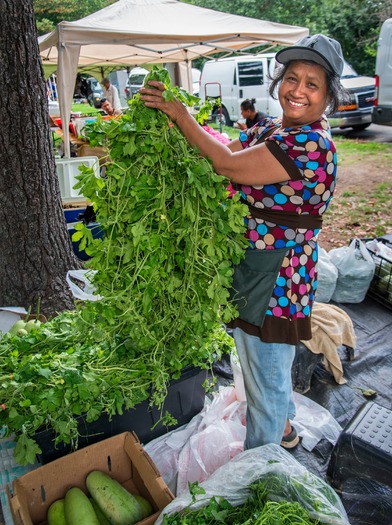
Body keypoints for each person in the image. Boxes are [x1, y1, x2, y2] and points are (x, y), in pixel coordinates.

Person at [140, 34, 348, 451]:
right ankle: (285, 429)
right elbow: (222, 146)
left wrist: (182, 116)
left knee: (266, 370)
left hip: (278, 278)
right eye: (292, 78)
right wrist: (177, 125)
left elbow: (225, 165)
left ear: (328, 96)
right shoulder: (272, 126)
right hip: (257, 265)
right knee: (266, 364)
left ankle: (263, 468)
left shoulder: (311, 145)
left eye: (312, 84)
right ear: (279, 82)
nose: (298, 91)